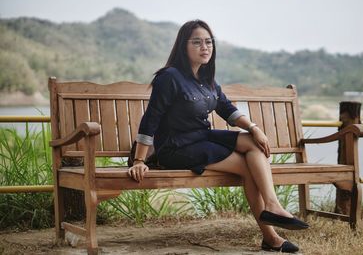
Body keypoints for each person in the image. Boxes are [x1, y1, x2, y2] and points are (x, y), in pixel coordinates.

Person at [128, 19, 309, 253]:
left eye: (209, 42)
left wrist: (254, 128)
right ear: (184, 46)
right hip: (177, 147)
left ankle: (273, 207)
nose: (205, 47)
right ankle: (271, 236)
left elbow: (227, 109)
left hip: (202, 138)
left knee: (253, 143)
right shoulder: (169, 77)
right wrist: (139, 160)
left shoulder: (207, 79)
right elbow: (150, 119)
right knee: (248, 166)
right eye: (197, 42)